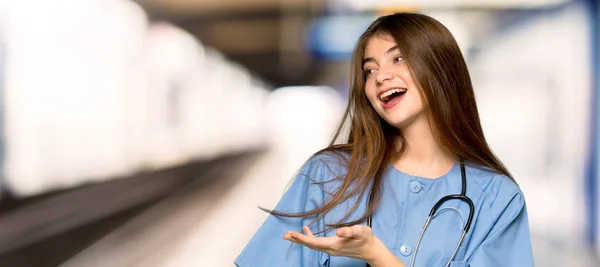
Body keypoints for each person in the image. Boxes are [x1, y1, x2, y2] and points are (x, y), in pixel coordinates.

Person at [234, 12, 535, 267]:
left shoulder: (497, 198)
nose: (380, 77)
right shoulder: (329, 175)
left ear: (441, 67)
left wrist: (376, 256)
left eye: (398, 58)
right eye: (369, 70)